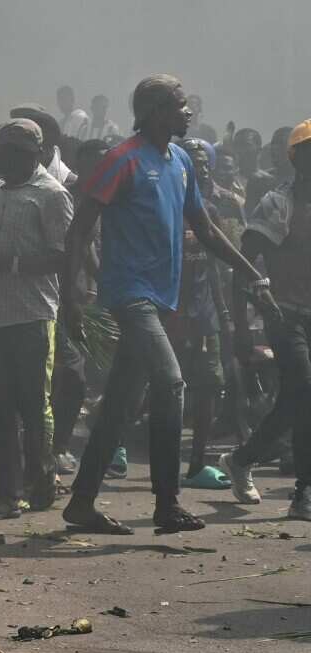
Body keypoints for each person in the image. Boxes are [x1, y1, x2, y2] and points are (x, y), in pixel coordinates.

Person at [59, 75, 276, 534]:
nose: (188, 112)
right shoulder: (121, 159)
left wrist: (249, 271)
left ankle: (81, 502)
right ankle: (167, 503)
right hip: (130, 295)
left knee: (119, 402)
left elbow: (208, 229)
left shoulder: (180, 160)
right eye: (179, 105)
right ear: (154, 110)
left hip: (161, 300)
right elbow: (79, 229)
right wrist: (71, 296)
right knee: (171, 383)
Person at [0, 119, 74, 516]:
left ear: (20, 154)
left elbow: (63, 256)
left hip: (32, 315)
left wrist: (12, 263)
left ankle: (41, 476)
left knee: (34, 404)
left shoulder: (52, 195)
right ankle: (7, 489)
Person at [221, 120, 311, 521]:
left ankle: (243, 459)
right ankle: (304, 493)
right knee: (305, 391)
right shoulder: (279, 204)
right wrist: (241, 321)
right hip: (284, 313)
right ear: (297, 158)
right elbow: (244, 261)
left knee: (296, 399)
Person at [170, 139, 234, 490]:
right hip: (167, 313)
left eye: (204, 163)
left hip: (204, 313)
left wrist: (222, 312)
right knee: (159, 388)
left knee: (209, 387)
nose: (201, 169)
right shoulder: (162, 205)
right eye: (193, 163)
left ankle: (196, 465)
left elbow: (213, 264)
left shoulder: (209, 209)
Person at [52, 139, 108, 475]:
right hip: (60, 298)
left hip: (89, 298)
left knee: (81, 375)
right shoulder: (65, 198)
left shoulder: (112, 197)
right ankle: (55, 446)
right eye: (94, 164)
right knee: (70, 374)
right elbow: (83, 249)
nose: (100, 170)